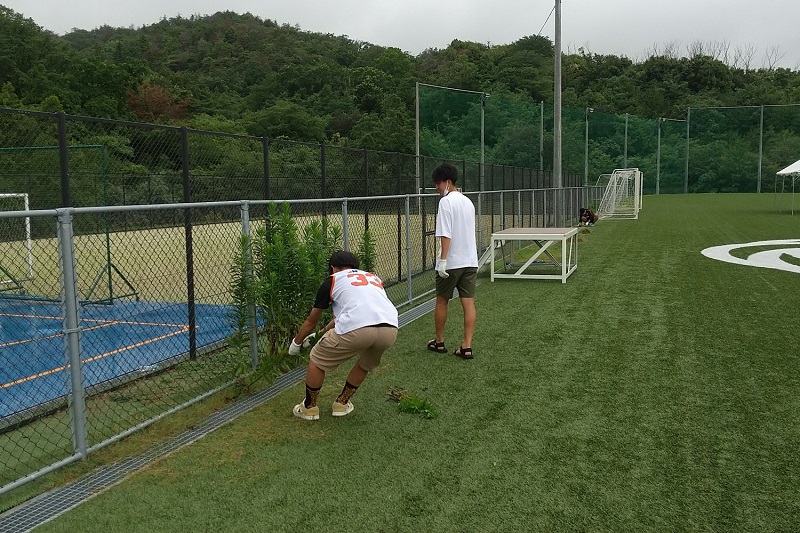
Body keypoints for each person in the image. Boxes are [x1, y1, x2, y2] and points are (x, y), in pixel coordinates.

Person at [288, 250, 398, 420]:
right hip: (389, 328)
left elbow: (311, 321)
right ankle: (342, 404)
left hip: (358, 328)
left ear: (333, 268)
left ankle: (309, 408)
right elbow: (353, 312)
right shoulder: (373, 278)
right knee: (365, 364)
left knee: (317, 360)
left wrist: (296, 343)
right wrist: (321, 334)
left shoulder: (333, 280)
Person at [426, 163, 478, 360]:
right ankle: (467, 346)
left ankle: (439, 342)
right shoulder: (468, 202)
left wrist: (442, 261)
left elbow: (445, 234)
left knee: (442, 300)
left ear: (447, 182)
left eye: (438, 183)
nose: (436, 187)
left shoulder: (446, 202)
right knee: (468, 302)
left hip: (452, 262)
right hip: (470, 261)